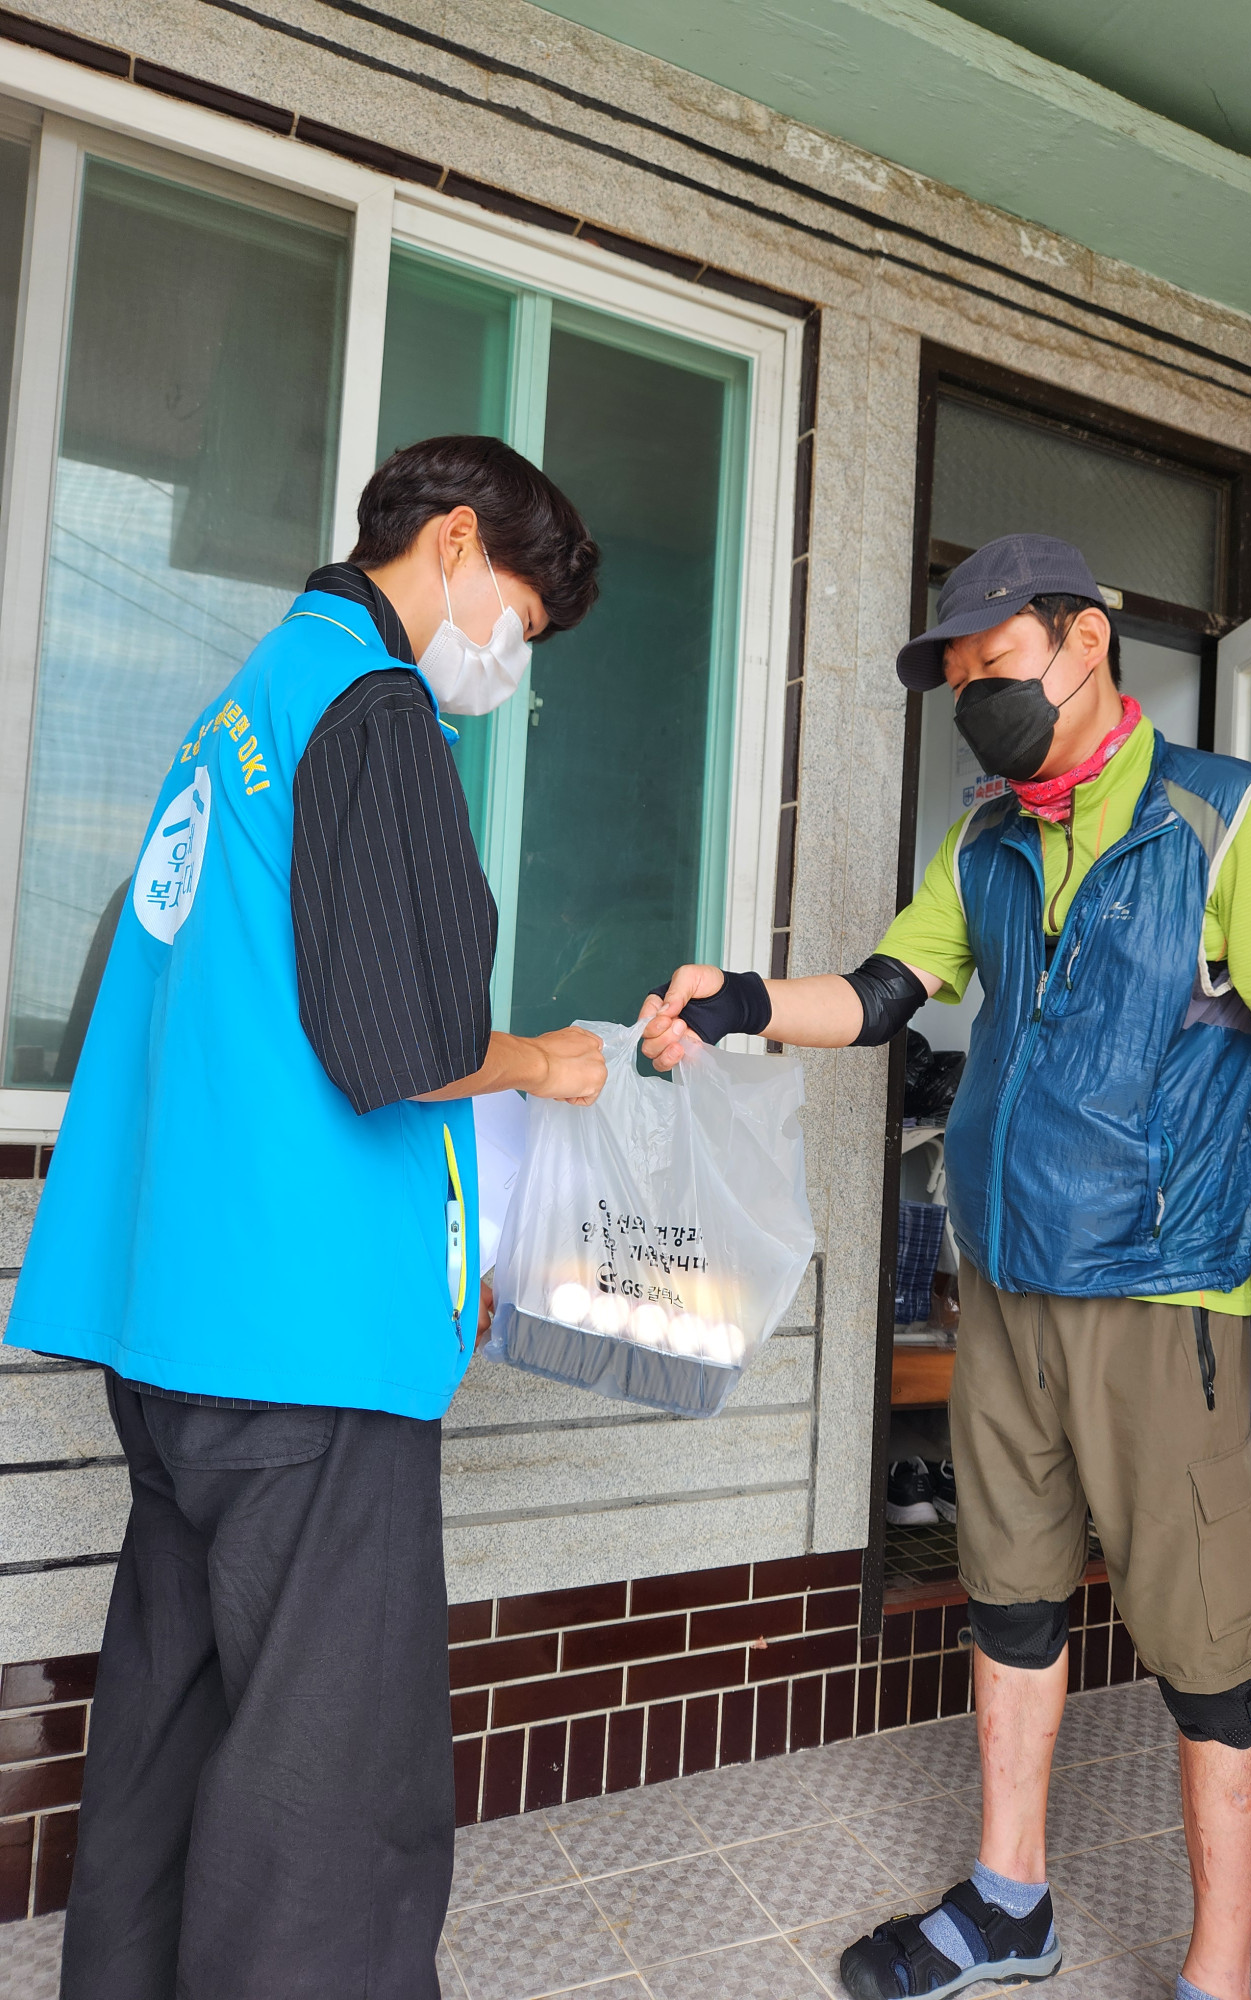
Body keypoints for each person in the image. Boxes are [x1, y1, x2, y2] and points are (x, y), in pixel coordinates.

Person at [640, 534, 1251, 2000]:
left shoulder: (1228, 819)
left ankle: (1219, 1973)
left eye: (997, 664)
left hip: (1165, 1295)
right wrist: (737, 1000)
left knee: (1205, 1647)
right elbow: (882, 993)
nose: (977, 696)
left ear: (1086, 642)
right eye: (960, 676)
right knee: (1014, 1596)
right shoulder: (987, 839)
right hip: (1009, 1282)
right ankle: (1011, 1900)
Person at [5, 436, 608, 2000]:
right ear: (456, 541)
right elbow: (402, 1042)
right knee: (328, 1792)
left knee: (172, 1727)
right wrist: (546, 1062)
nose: (510, 664)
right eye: (521, 622)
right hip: (307, 1339)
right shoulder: (373, 706)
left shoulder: (243, 708)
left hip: (176, 1327)